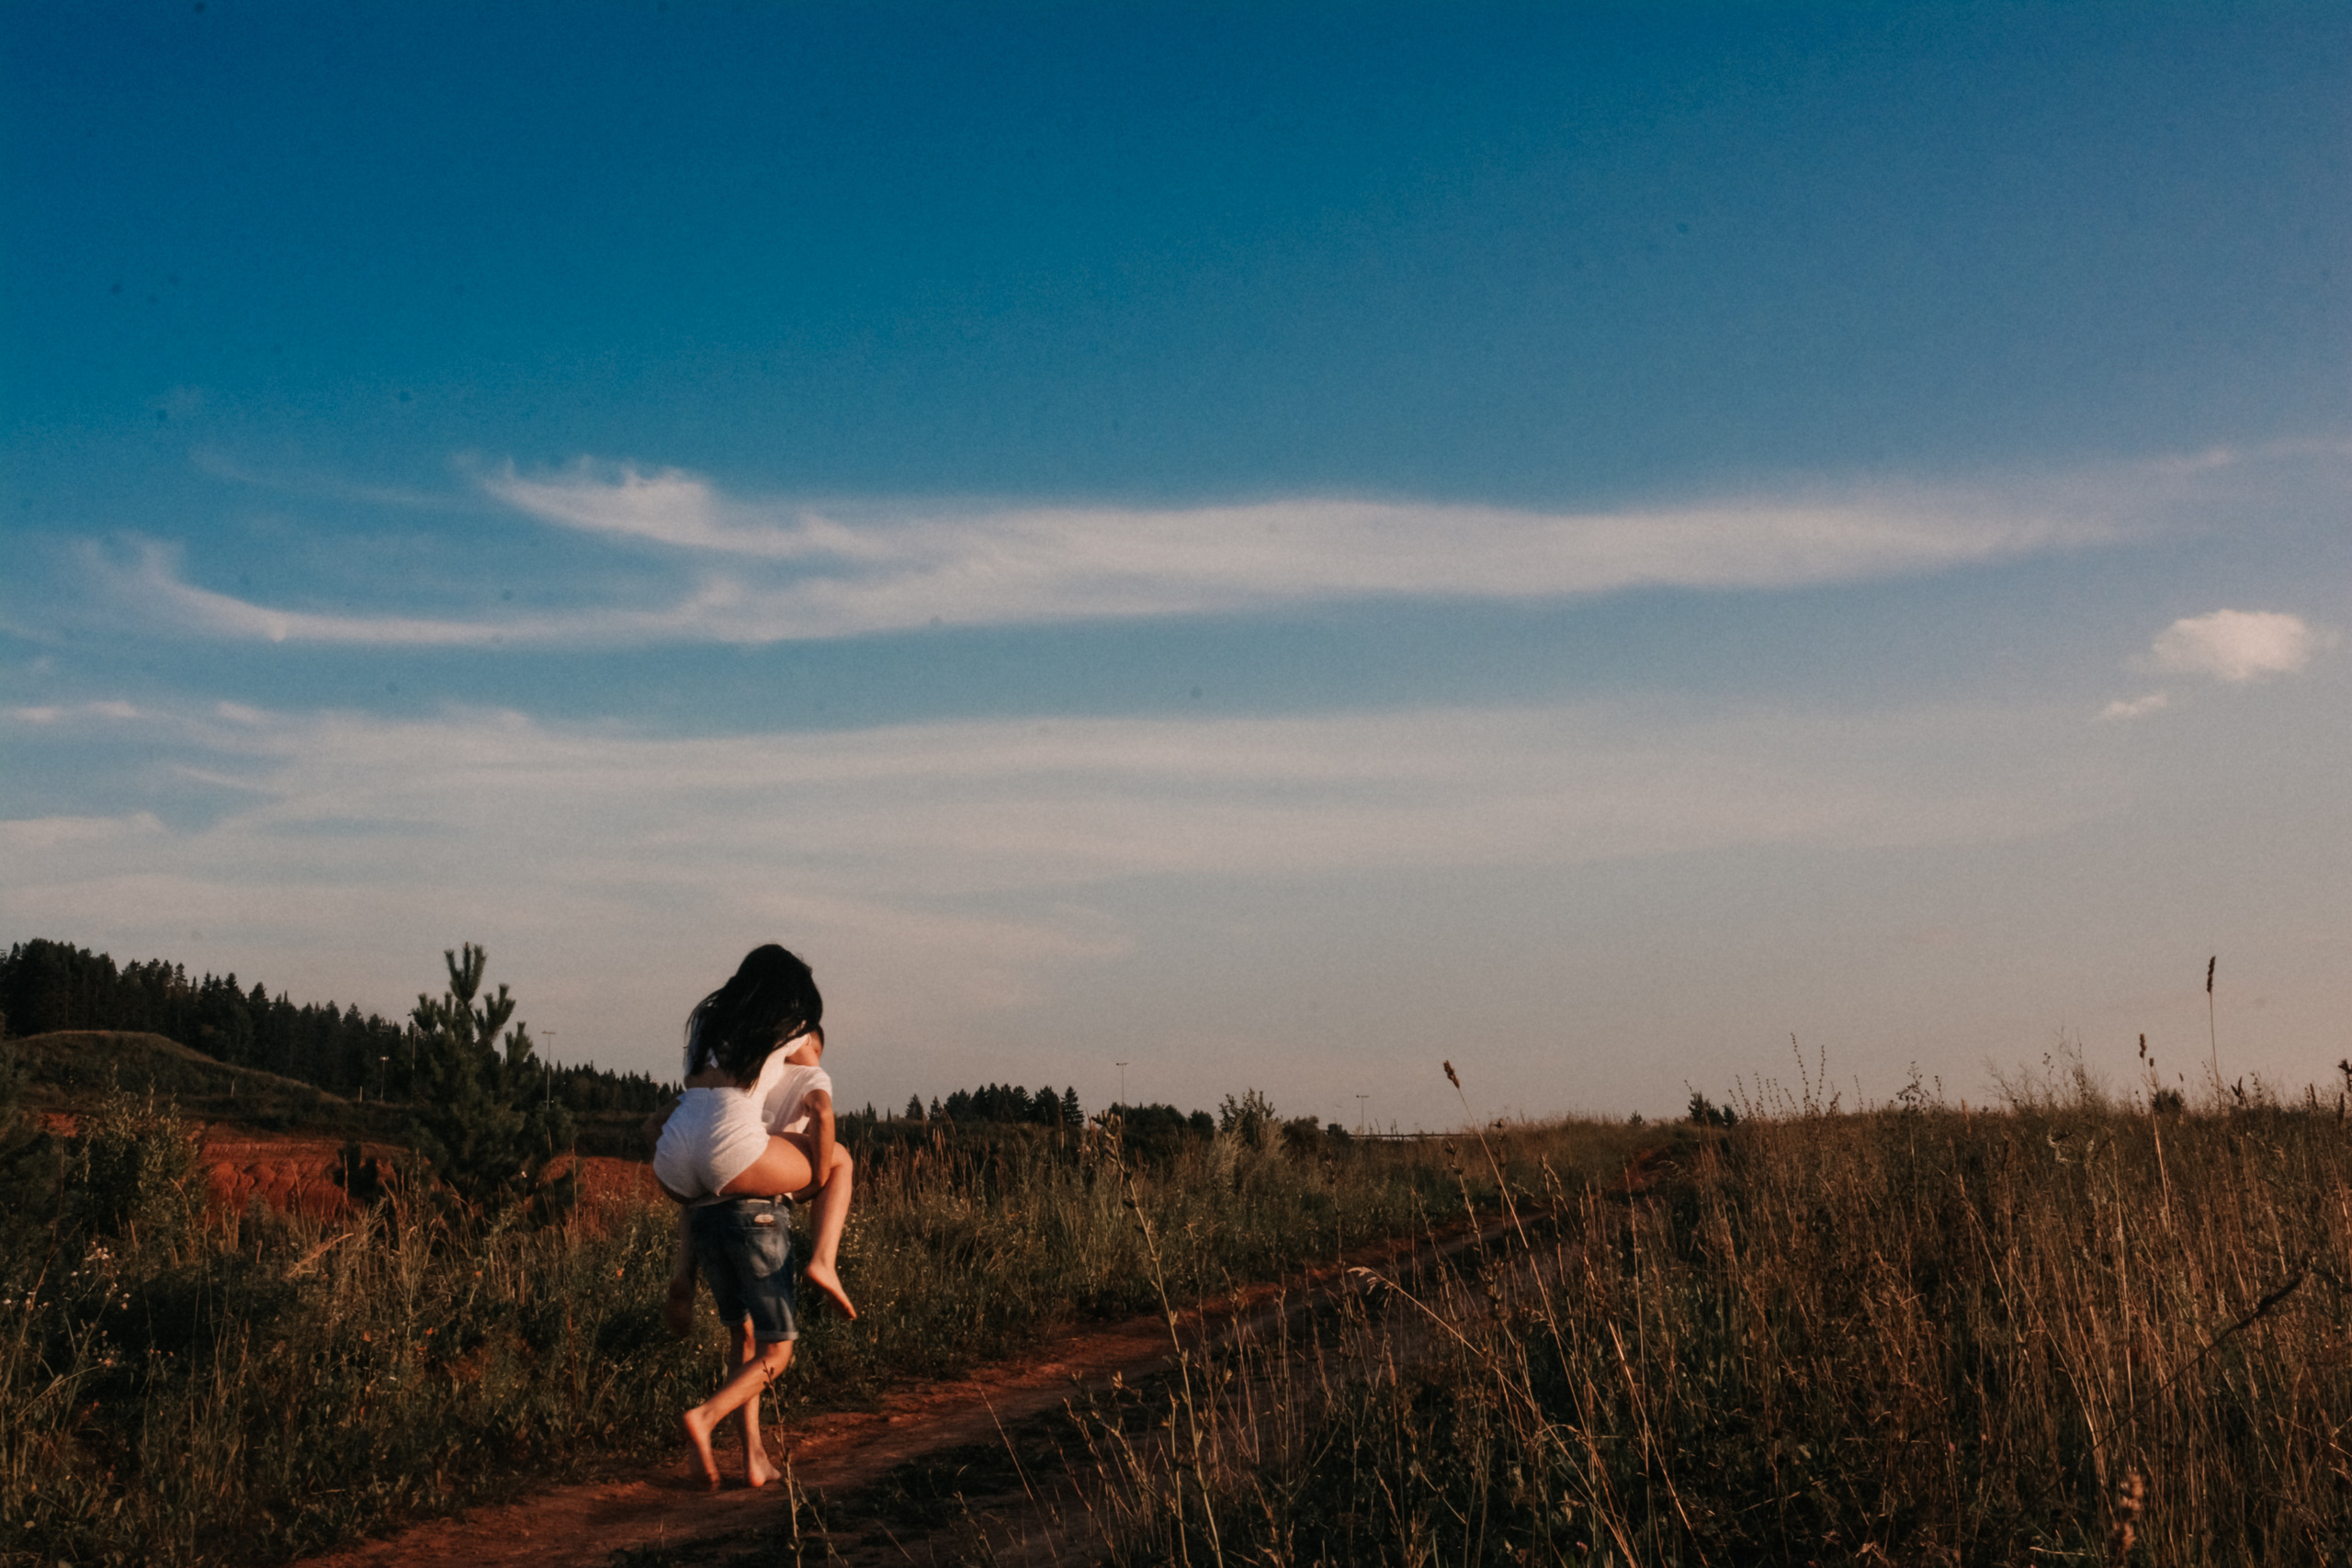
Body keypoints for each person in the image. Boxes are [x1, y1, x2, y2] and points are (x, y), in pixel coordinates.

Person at [639, 944, 858, 1488]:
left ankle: (752, 1456)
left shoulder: (709, 1024)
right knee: (834, 1162)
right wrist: (811, 1180)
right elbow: (816, 1083)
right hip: (731, 1148)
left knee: (740, 1337)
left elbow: (662, 1118)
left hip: (676, 1152)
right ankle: (824, 1262)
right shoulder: (782, 1021)